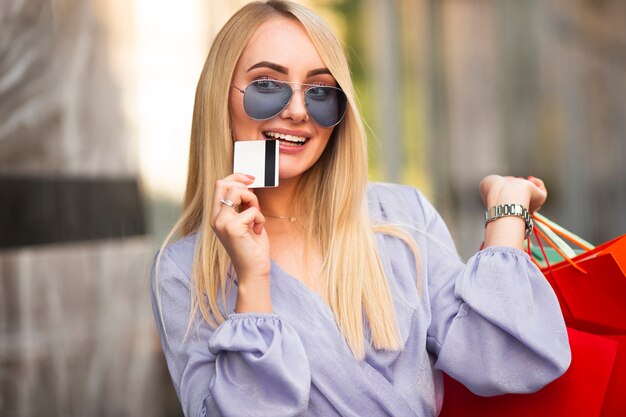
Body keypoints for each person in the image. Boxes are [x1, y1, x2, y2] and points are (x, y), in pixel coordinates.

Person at [150, 1, 571, 416]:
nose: (297, 111)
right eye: (266, 84)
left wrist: (506, 213)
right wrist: (253, 281)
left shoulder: (403, 215)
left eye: (319, 91)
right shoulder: (183, 270)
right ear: (220, 95)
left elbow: (502, 360)